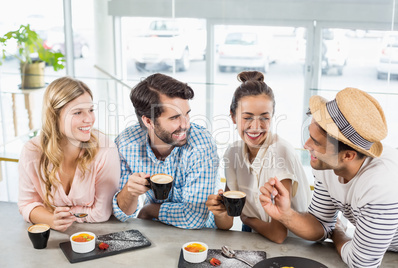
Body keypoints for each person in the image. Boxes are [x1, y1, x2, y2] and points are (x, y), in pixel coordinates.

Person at [260, 87, 398, 267]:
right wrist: (285, 214)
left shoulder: (383, 184)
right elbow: (320, 224)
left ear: (348, 155)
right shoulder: (326, 164)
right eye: (309, 136)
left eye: (316, 142)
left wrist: (339, 233)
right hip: (380, 252)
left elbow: (360, 263)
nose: (306, 145)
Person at [206, 71, 311, 243]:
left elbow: (278, 235)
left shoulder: (280, 153)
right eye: (247, 117)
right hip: (256, 234)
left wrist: (246, 219)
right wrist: (221, 211)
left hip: (294, 244)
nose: (255, 127)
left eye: (264, 118)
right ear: (233, 116)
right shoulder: (233, 153)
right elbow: (226, 223)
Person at [112, 73, 219, 229]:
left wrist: (149, 210)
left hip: (200, 235)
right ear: (148, 121)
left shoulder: (202, 145)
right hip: (153, 231)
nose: (185, 124)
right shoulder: (126, 143)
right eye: (174, 117)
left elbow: (194, 218)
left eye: (187, 114)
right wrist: (130, 192)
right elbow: (121, 214)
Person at [18, 77, 120, 232]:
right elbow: (26, 204)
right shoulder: (32, 151)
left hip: (97, 235)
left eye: (91, 110)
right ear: (54, 116)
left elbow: (101, 213)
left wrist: (52, 214)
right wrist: (51, 219)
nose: (89, 119)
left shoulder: (105, 150)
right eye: (78, 112)